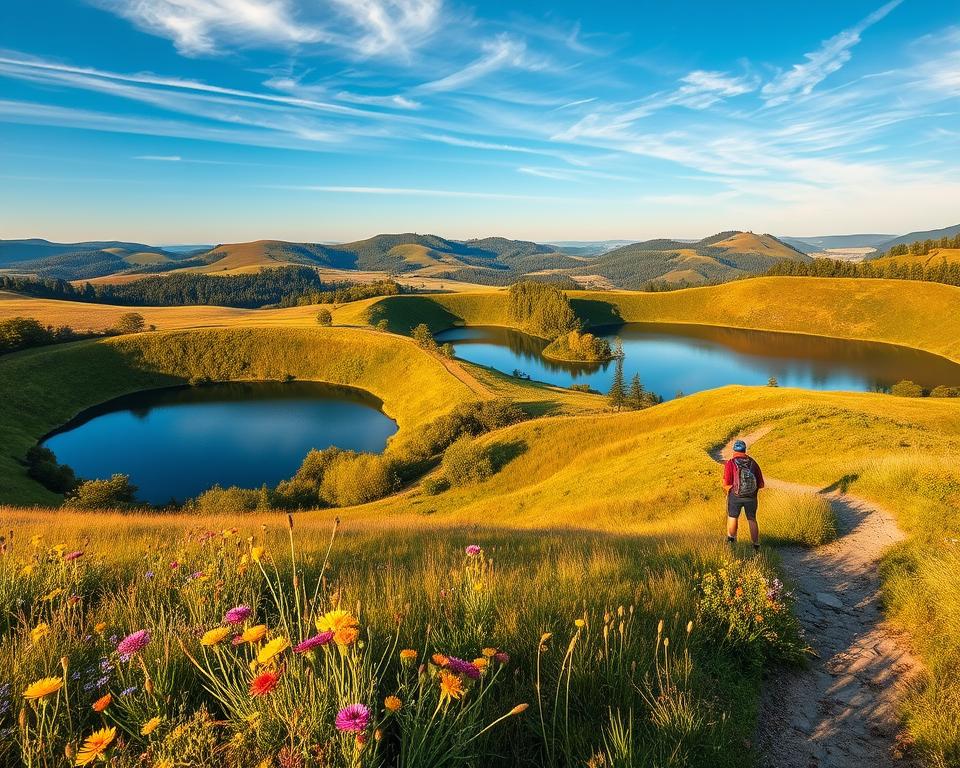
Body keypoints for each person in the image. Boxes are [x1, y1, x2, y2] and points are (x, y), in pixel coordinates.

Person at [722, 439, 765, 551]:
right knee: (752, 519)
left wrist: (731, 491)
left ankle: (732, 542)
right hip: (751, 497)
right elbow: (761, 484)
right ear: (745, 450)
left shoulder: (730, 463)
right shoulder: (753, 463)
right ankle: (756, 545)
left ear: (734, 450)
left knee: (732, 516)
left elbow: (726, 484)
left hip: (735, 496)